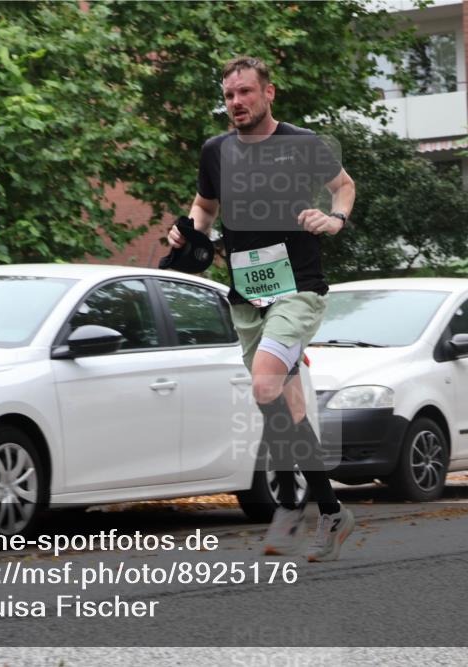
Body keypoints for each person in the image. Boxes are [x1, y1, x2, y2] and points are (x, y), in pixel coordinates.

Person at [167, 56, 356, 562]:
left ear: (268, 94)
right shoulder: (216, 151)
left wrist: (335, 219)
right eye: (229, 96)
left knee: (265, 384)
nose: (237, 103)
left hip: (298, 288)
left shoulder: (300, 143)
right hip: (248, 294)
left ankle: (291, 504)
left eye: (246, 93)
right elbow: (205, 207)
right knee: (286, 407)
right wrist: (189, 234)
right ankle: (331, 510)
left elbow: (344, 186)